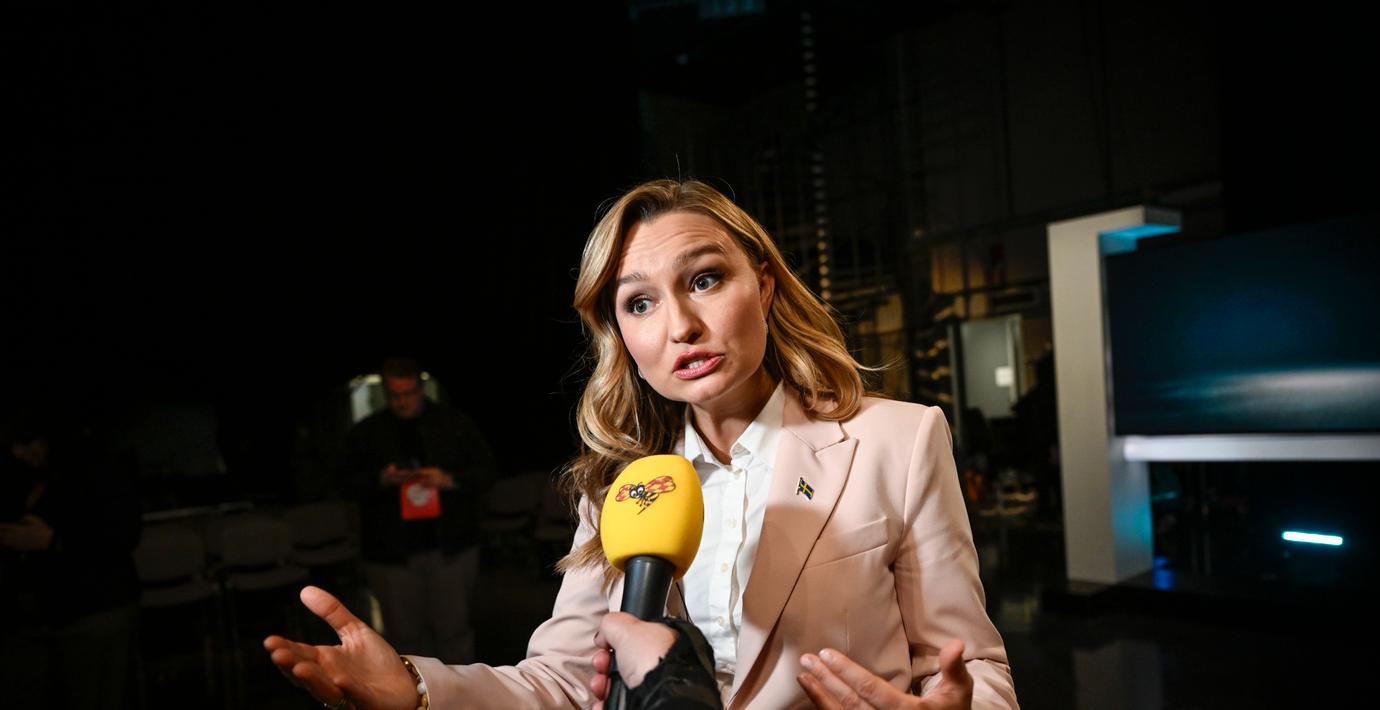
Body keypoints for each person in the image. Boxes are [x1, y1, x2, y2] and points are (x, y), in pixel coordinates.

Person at [266, 179, 1018, 709]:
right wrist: (416, 687)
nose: (680, 327)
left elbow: (974, 668)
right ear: (620, 334)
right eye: (640, 303)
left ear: (764, 285)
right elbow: (561, 682)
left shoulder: (898, 440)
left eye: (706, 279)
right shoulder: (620, 487)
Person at [342, 357, 498, 662]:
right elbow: (343, 484)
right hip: (392, 554)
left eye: (409, 393)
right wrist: (381, 480)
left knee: (454, 631)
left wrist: (448, 480)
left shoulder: (454, 424)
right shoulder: (368, 432)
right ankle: (416, 691)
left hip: (450, 548)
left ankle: (460, 690)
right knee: (404, 638)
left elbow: (487, 473)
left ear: (421, 388)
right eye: (395, 395)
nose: (402, 402)